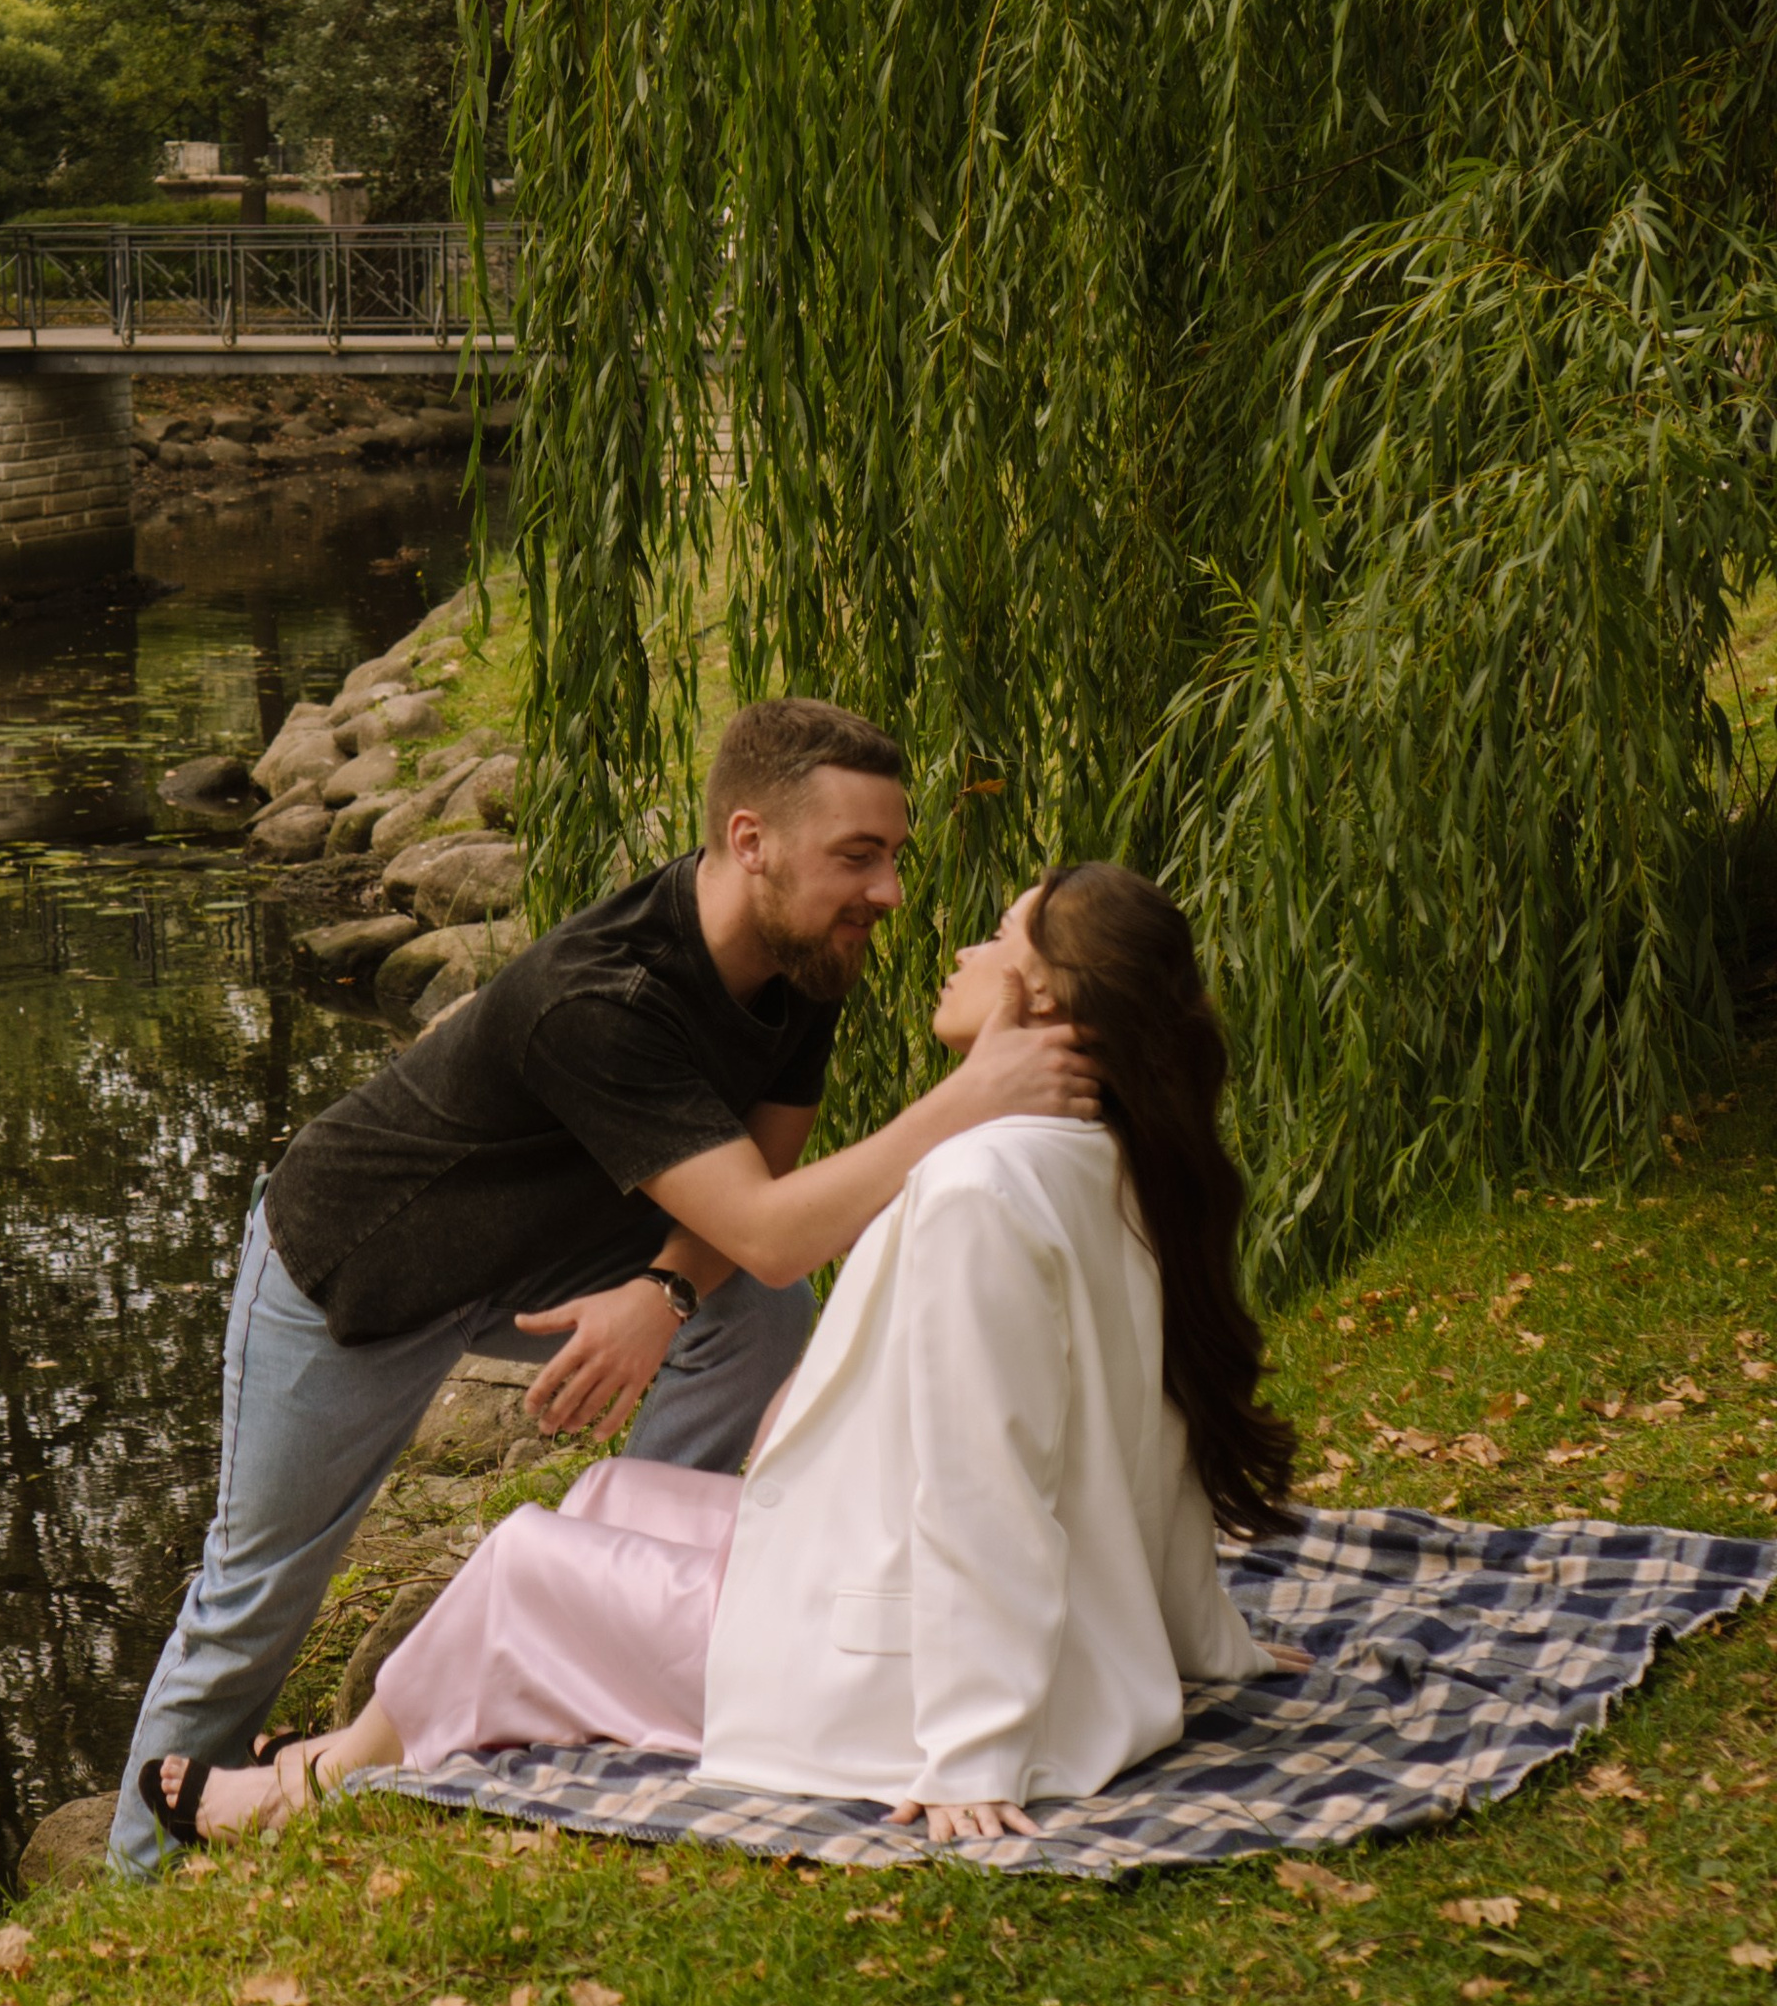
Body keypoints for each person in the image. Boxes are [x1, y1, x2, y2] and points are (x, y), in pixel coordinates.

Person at [111, 697, 1102, 1874]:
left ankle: (616, 1631)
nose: (887, 891)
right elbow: (777, 1230)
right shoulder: (607, 997)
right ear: (750, 841)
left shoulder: (802, 957)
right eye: (857, 856)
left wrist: (667, 1293)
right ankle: (138, 1876)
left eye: (891, 855)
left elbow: (764, 1185)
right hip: (355, 1275)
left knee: (754, 1312)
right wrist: (967, 1100)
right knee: (252, 1603)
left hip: (539, 1258)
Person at [157, 861, 1297, 1847]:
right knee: (603, 1492)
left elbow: (978, 1484)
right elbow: (1159, 1428)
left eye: (996, 937)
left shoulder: (979, 1188)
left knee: (521, 1565)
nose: (955, 943)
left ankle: (315, 1781)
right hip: (916, 1588)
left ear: (1039, 998)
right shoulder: (1106, 1147)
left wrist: (973, 1753)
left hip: (889, 1677)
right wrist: (1200, 1641)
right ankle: (360, 1739)